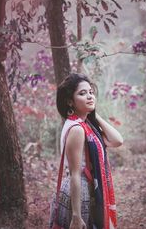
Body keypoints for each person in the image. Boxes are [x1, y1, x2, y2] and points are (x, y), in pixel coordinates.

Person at [49, 73, 123, 229]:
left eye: (91, 92)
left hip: (88, 190)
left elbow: (117, 140)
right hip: (79, 193)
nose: (89, 96)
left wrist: (94, 115)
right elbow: (75, 173)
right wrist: (76, 216)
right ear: (70, 101)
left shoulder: (86, 126)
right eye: (82, 93)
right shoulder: (77, 129)